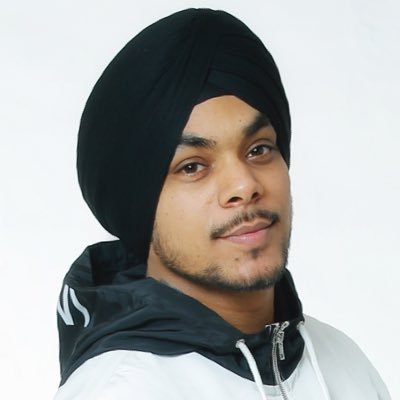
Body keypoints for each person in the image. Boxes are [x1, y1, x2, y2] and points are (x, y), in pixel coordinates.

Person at [54, 8, 390, 400]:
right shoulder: (122, 390)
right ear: (139, 205)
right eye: (193, 166)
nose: (244, 185)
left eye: (259, 149)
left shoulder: (343, 363)